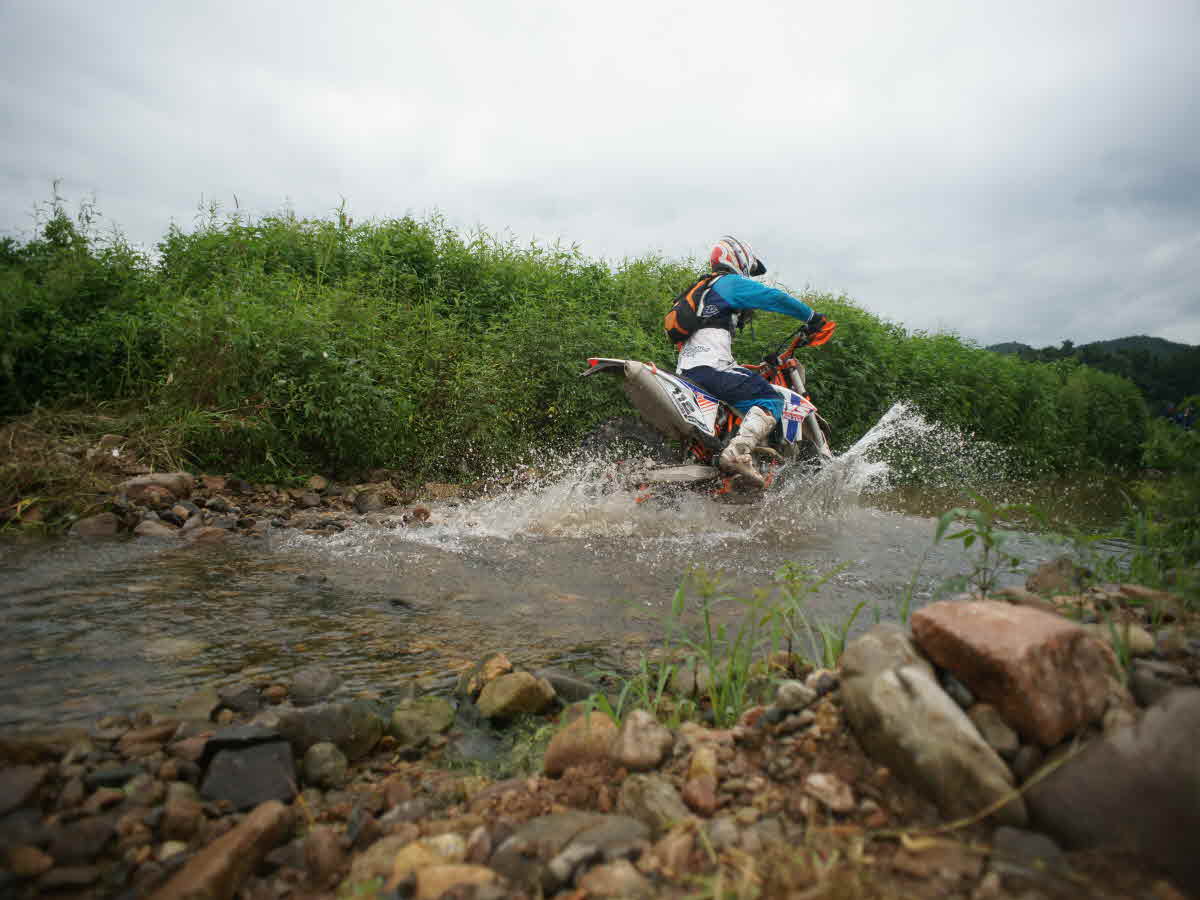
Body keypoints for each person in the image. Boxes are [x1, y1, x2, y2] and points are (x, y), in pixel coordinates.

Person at [675, 235, 826, 487]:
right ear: (738, 258)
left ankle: (719, 458)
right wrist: (812, 317)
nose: (749, 275)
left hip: (687, 371)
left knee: (741, 386)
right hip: (711, 369)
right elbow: (773, 297)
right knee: (771, 399)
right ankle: (736, 453)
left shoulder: (699, 291)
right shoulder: (728, 283)